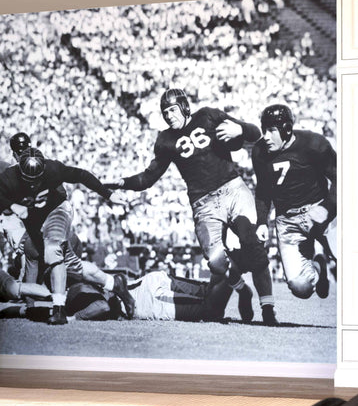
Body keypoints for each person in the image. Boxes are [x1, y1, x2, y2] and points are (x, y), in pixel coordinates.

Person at [106, 88, 277, 325]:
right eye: (164, 112)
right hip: (203, 204)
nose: (168, 115)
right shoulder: (165, 140)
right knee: (217, 263)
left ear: (185, 107)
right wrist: (123, 183)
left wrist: (240, 129)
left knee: (252, 242)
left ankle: (268, 309)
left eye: (172, 109)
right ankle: (241, 289)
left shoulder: (207, 115)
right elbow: (148, 178)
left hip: (232, 189)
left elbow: (254, 133)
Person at [0, 147, 126, 325]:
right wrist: (12, 205)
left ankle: (58, 308)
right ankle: (113, 283)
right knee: (70, 265)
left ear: (44, 171)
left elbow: (82, 175)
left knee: (52, 248)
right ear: (20, 172)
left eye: (37, 180)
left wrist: (108, 194)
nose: (32, 185)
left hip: (57, 210)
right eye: (28, 180)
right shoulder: (11, 176)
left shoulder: (53, 169)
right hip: (37, 220)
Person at [252, 104, 336, 300]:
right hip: (287, 221)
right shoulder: (259, 151)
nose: (265, 136)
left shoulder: (314, 144)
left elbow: (342, 177)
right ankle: (318, 268)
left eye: (272, 130)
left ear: (286, 129)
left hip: (319, 211)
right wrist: (262, 222)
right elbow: (263, 190)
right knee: (300, 287)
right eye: (264, 129)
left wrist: (327, 209)